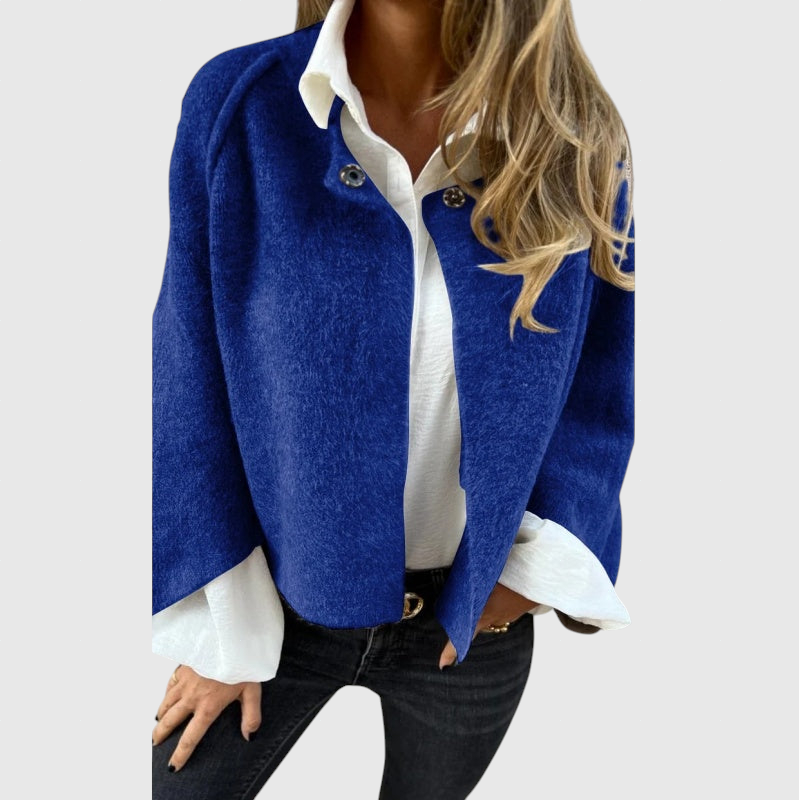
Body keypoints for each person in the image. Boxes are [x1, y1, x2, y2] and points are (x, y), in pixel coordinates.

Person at [151, 0, 635, 797]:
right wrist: (225, 634)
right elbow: (187, 376)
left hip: (467, 627)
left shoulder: (572, 134)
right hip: (270, 604)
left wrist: (526, 576)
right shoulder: (241, 105)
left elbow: (599, 386)